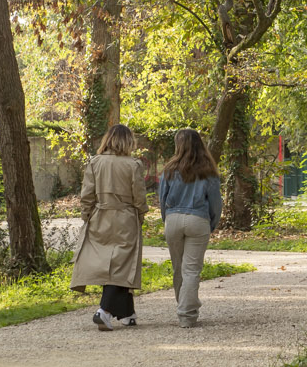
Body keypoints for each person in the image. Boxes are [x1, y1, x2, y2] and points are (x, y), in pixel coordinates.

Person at [72, 124, 149, 330]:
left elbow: (87, 193)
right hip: (125, 216)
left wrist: (86, 215)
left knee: (109, 262)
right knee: (121, 264)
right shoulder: (133, 165)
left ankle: (126, 313)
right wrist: (141, 213)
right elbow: (139, 195)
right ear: (128, 141)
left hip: (100, 216)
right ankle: (104, 311)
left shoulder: (95, 162)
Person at [157, 129, 222, 328]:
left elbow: (162, 199)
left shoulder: (169, 169)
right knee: (192, 269)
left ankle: (183, 306)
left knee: (179, 268)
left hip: (173, 218)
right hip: (198, 219)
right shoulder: (208, 170)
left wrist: (166, 219)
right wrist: (211, 223)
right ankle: (187, 314)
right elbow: (215, 203)